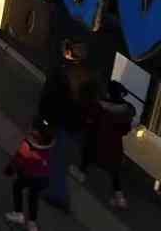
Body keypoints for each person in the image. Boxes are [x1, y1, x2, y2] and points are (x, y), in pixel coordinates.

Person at [37, 38, 97, 209]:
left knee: (56, 159)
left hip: (61, 122)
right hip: (76, 125)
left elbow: (50, 97)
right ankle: (54, 190)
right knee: (61, 159)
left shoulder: (62, 73)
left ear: (69, 52)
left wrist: (43, 117)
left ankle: (57, 195)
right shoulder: (87, 75)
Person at [83, 81, 136, 209]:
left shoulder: (100, 106)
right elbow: (125, 130)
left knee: (88, 155)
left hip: (98, 139)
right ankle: (120, 198)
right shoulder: (125, 110)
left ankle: (81, 173)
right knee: (114, 171)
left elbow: (91, 120)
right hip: (115, 144)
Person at [4, 118, 54, 230]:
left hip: (29, 175)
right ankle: (32, 223)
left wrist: (10, 169)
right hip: (43, 177)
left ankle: (18, 214)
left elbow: (19, 159)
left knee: (17, 187)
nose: (30, 129)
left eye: (33, 128)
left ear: (37, 132)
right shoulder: (49, 144)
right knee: (33, 196)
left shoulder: (29, 144)